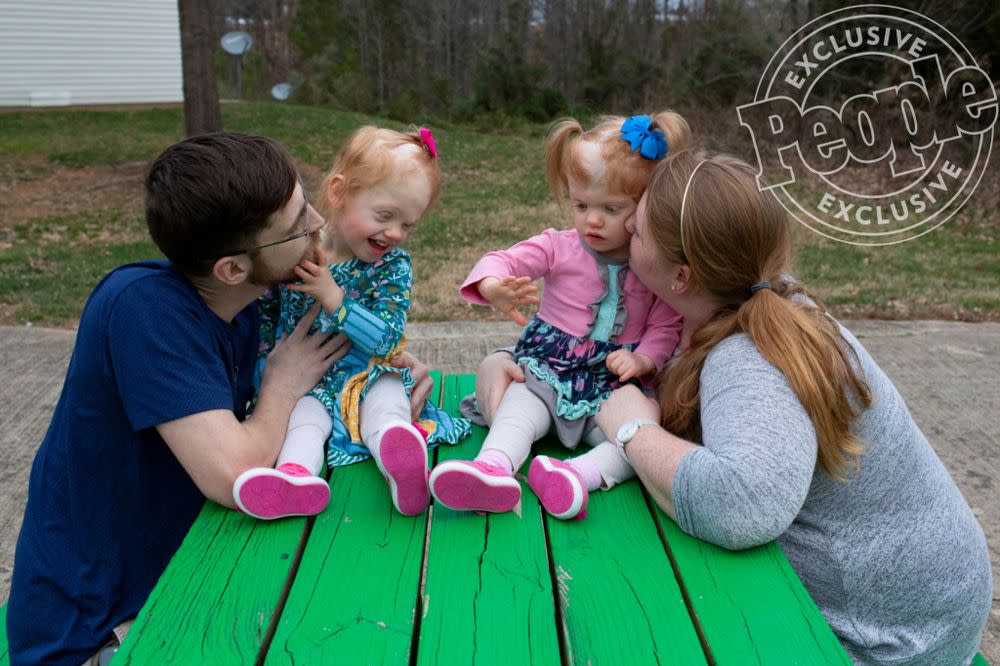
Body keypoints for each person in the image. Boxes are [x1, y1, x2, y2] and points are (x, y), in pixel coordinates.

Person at [476, 150, 993, 664]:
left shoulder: (749, 359)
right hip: (914, 607)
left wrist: (631, 430)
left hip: (890, 641)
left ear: (680, 276)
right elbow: (591, 343)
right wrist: (512, 361)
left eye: (638, 229)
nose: (627, 223)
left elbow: (741, 505)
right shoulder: (734, 303)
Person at [5, 132, 434, 666]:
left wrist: (386, 370)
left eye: (306, 206)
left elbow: (347, 342)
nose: (319, 226)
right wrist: (282, 382)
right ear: (232, 268)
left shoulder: (252, 297)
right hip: (98, 632)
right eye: (298, 226)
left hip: (188, 572)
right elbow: (236, 472)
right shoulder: (143, 312)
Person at [428, 113, 687, 520]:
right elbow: (506, 259)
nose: (592, 220)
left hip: (614, 382)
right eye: (581, 204)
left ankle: (576, 476)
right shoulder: (559, 246)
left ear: (646, 206)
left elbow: (665, 323)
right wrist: (494, 284)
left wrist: (643, 359)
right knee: (520, 406)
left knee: (640, 433)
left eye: (612, 208)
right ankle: (493, 467)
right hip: (549, 370)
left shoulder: (651, 264)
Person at [233, 126, 469, 520]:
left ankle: (401, 460)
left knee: (388, 402)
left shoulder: (392, 267)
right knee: (303, 421)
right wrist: (264, 379)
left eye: (407, 224)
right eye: (385, 216)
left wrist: (336, 300)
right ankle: (294, 479)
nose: (395, 233)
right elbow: (268, 325)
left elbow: (388, 340)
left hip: (370, 374)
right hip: (309, 383)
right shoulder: (297, 256)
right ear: (340, 192)